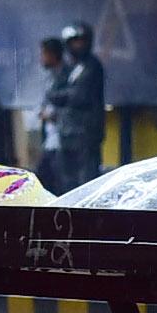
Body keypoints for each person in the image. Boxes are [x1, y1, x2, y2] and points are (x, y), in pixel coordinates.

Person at [38, 26, 108, 193]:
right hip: (68, 133)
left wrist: (57, 97)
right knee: (67, 182)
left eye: (81, 41)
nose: (78, 46)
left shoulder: (92, 66)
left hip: (86, 133)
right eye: (74, 42)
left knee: (86, 183)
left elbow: (79, 96)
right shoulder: (73, 68)